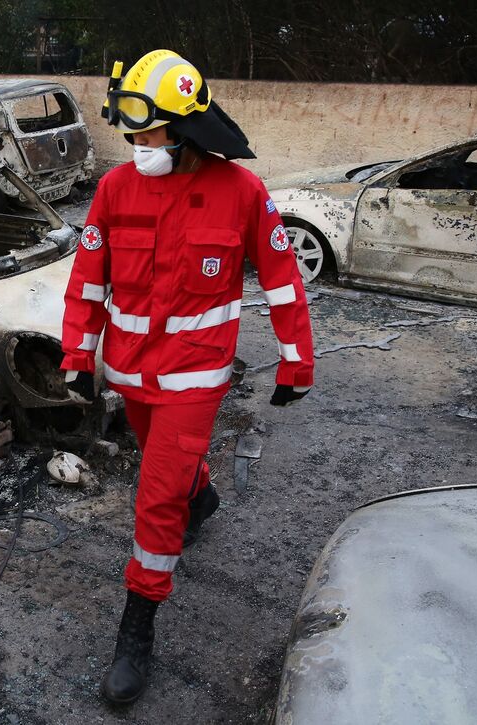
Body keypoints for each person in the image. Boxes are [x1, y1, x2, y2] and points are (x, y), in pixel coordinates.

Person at [59, 50, 315, 706]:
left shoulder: (242, 193)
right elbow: (87, 280)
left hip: (196, 380)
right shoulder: (116, 190)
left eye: (144, 130)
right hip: (133, 374)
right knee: (167, 468)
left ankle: (136, 628)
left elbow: (284, 282)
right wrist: (76, 356)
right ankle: (201, 496)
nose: (133, 142)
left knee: (154, 498)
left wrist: (296, 361)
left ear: (182, 127)